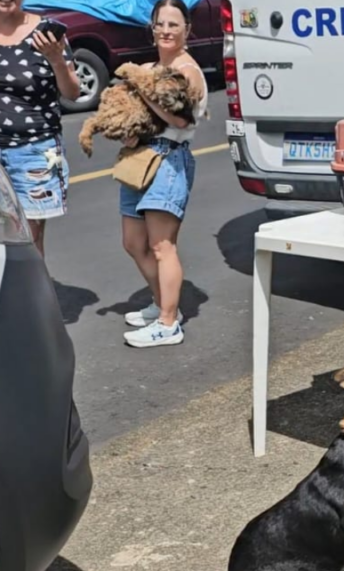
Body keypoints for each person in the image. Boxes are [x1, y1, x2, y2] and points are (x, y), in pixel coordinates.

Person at [120, 0, 208, 349]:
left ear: (187, 29)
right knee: (132, 242)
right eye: (160, 24)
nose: (166, 31)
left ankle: (168, 323)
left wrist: (143, 90)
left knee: (161, 245)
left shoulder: (187, 70)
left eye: (174, 24)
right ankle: (162, 304)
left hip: (169, 159)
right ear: (152, 28)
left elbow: (181, 119)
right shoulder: (150, 66)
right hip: (139, 157)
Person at [0, 0, 79, 259]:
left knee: (28, 241)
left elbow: (72, 93)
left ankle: (30, 297)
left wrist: (56, 59)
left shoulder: (45, 32)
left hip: (33, 149)